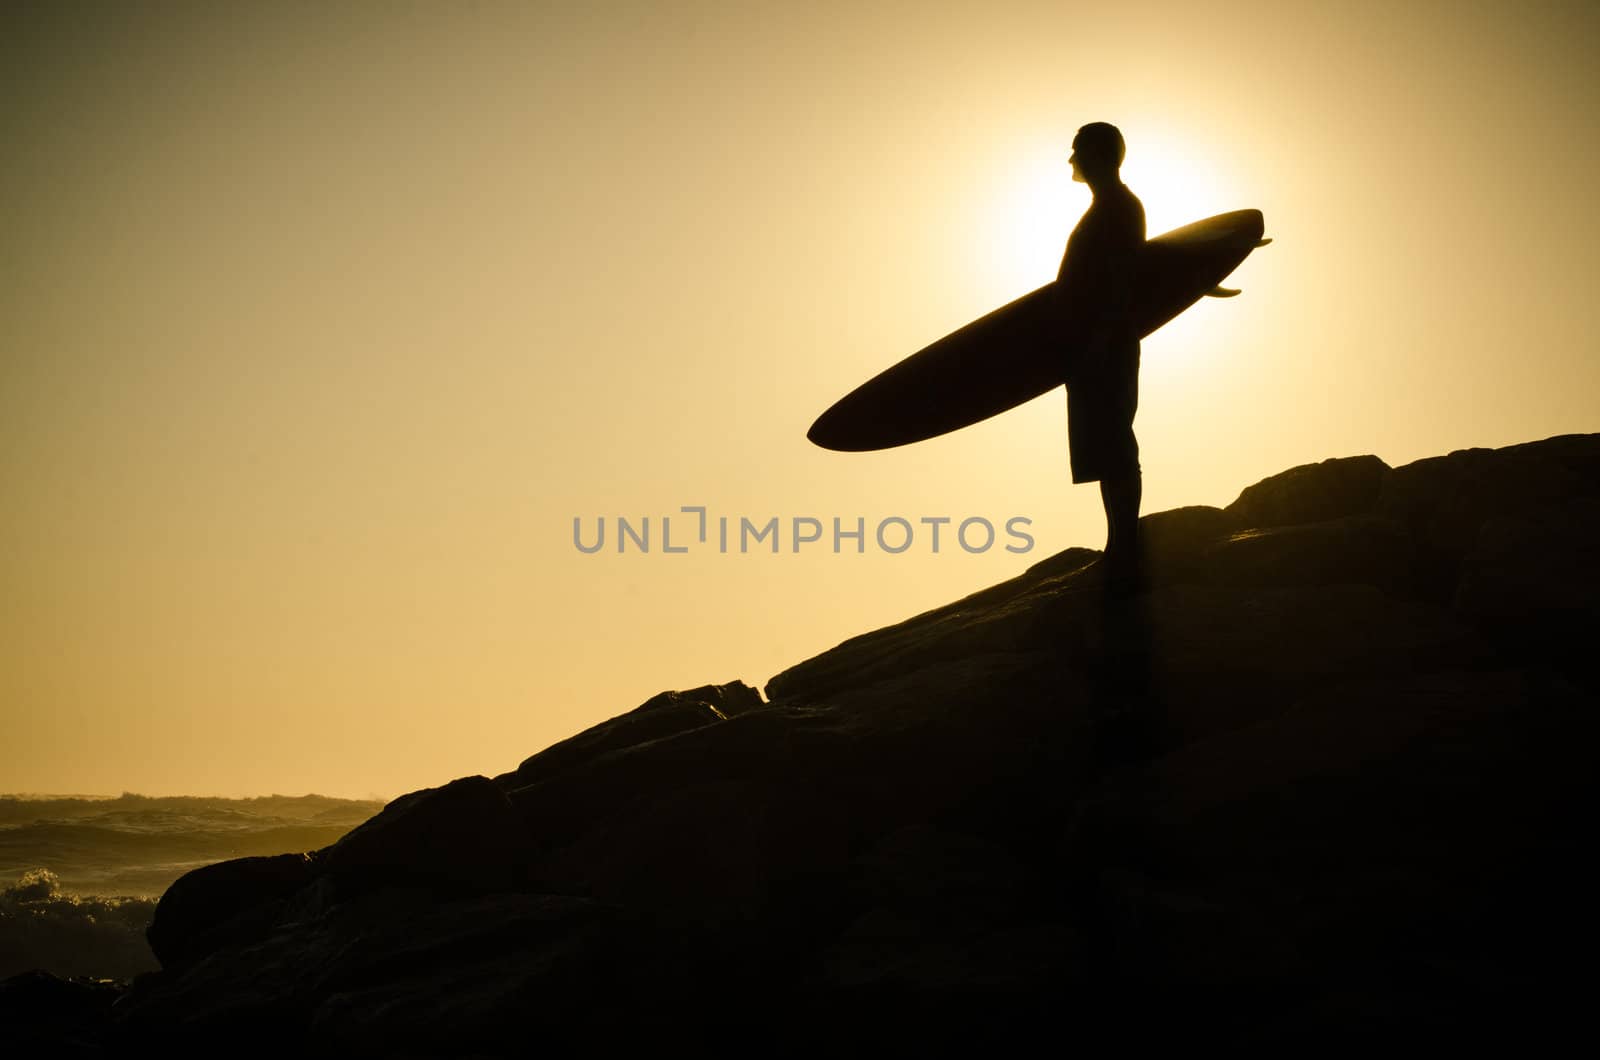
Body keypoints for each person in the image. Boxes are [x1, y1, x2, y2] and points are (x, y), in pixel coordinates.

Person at [1056, 122, 1146, 573]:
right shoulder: (1106, 207)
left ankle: (1125, 546)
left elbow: (1122, 282)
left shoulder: (1120, 208)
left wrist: (1099, 340)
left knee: (1115, 445)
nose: (1070, 160)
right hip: (1090, 346)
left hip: (1104, 345)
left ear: (1096, 155)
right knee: (1105, 446)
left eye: (1076, 151)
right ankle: (1118, 543)